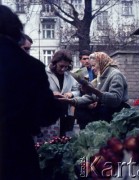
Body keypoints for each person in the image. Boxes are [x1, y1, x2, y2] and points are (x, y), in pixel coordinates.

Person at [0, 5, 61, 180]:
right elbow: (47, 114)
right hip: (15, 155)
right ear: (16, 30)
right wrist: (56, 104)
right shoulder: (30, 66)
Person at [59, 51, 129, 125]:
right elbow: (91, 97)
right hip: (106, 114)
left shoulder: (116, 75)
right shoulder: (101, 75)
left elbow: (116, 99)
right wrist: (71, 101)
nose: (92, 69)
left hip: (116, 115)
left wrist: (94, 91)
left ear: (101, 63)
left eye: (94, 65)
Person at [42, 49, 80, 136]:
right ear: (54, 63)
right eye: (61, 66)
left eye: (66, 66)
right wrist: (51, 94)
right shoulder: (44, 73)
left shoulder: (69, 75)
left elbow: (77, 90)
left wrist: (71, 94)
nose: (63, 69)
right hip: (49, 113)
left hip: (66, 113)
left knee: (64, 140)